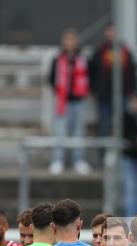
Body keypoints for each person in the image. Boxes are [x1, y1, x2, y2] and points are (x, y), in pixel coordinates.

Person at [47, 30, 91, 176]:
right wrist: (61, 91)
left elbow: (88, 78)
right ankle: (58, 160)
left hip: (78, 101)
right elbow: (51, 79)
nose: (70, 43)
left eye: (72, 40)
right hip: (62, 102)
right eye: (67, 40)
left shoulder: (82, 59)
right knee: (60, 131)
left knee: (78, 132)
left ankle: (79, 160)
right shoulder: (57, 59)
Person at [89, 24, 136, 138]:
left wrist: (131, 90)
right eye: (109, 31)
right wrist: (94, 89)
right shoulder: (99, 51)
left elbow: (132, 71)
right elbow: (92, 71)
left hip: (123, 93)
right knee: (104, 124)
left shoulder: (125, 50)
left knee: (124, 123)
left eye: (113, 31)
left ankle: (122, 151)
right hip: (104, 94)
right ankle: (104, 153)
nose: (111, 34)